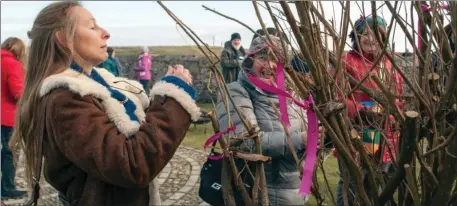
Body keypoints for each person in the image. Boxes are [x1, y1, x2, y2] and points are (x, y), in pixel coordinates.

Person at [9, 2, 200, 206]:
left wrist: (163, 96)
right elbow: (132, 165)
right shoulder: (65, 97)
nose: (105, 33)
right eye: (92, 27)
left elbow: (136, 132)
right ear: (64, 39)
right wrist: (174, 97)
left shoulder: (100, 83)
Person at [216, 35, 307, 206]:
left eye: (275, 59)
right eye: (262, 58)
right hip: (257, 192)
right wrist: (301, 140)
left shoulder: (292, 96)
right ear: (251, 60)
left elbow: (310, 142)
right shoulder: (235, 92)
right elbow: (244, 140)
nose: (269, 65)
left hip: (296, 193)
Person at [335, 16, 403, 206]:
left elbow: (397, 97)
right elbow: (335, 96)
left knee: (380, 184)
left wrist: (398, 116)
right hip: (359, 131)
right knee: (354, 182)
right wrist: (361, 110)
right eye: (365, 33)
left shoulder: (390, 63)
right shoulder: (346, 61)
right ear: (356, 36)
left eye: (377, 34)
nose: (371, 38)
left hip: (388, 134)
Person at [1, 37, 27, 199]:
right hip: (9, 116)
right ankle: (7, 188)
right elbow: (18, 92)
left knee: (6, 150)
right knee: (11, 152)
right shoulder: (13, 64)